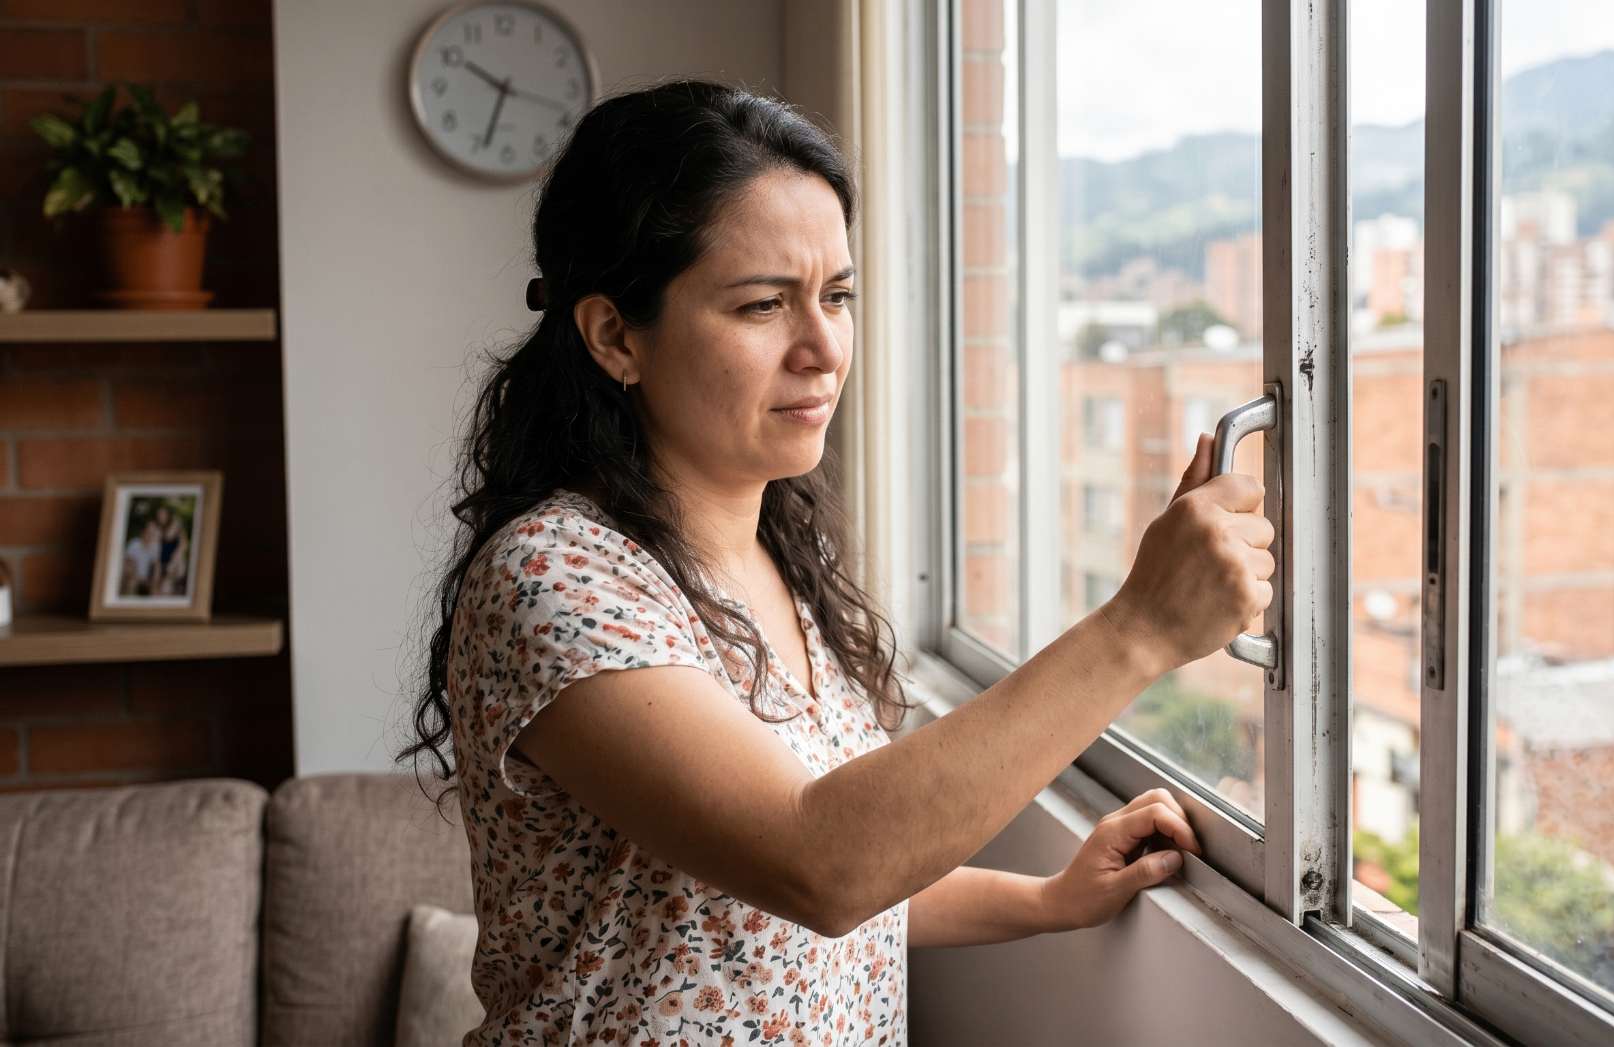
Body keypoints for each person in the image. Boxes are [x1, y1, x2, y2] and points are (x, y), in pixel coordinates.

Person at [407, 80, 1272, 1047]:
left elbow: (793, 888)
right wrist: (1140, 627)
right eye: (762, 304)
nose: (823, 348)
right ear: (616, 335)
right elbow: (816, 859)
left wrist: (1047, 898)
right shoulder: (555, 579)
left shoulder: (782, 548)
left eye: (838, 296)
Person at [122, 517, 162, 597]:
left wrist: (155, 581)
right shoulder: (134, 543)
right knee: (131, 584)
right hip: (133, 576)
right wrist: (134, 576)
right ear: (143, 532)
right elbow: (129, 564)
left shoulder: (155, 547)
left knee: (156, 590)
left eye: (153, 532)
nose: (150, 534)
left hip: (147, 579)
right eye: (149, 532)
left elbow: (157, 566)